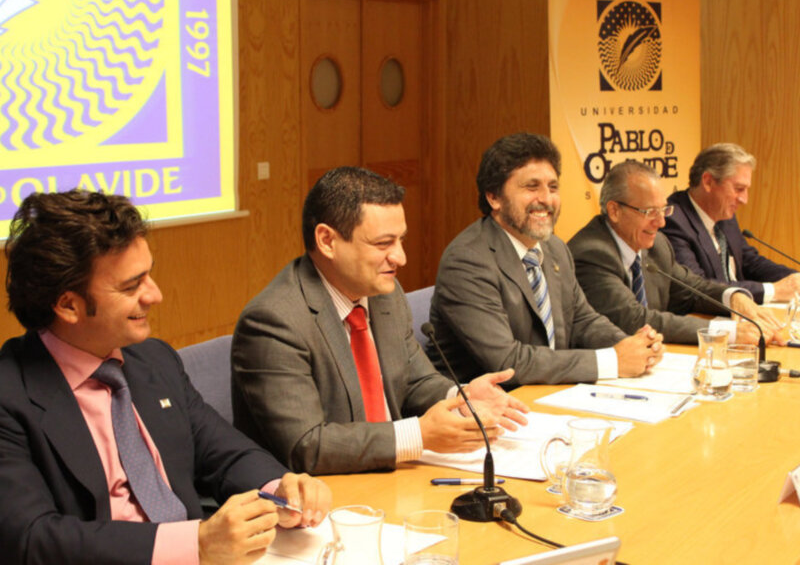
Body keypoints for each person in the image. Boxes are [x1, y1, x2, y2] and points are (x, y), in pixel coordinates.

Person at [0, 190, 331, 565]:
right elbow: (32, 538)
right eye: (131, 286)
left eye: (149, 275)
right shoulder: (10, 395)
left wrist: (281, 488)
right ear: (68, 305)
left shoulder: (152, 359)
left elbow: (221, 451)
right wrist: (197, 544)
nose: (155, 295)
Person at [232, 167, 529, 475]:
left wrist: (460, 396)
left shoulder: (383, 293)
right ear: (326, 241)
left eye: (400, 240)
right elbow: (307, 447)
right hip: (320, 499)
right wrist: (419, 435)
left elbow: (413, 381)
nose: (400, 258)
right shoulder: (274, 322)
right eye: (383, 244)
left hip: (393, 476)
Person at [428, 132, 663, 387]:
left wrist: (632, 346)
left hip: (549, 394)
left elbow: (582, 320)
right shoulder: (467, 261)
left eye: (553, 187)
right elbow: (508, 362)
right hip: (493, 408)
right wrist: (613, 361)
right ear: (493, 197)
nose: (546, 199)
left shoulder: (554, 248)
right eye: (531, 187)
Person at [567, 160, 782, 345]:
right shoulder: (592, 253)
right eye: (650, 212)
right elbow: (634, 320)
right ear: (614, 211)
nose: (660, 222)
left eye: (663, 210)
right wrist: (729, 332)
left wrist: (734, 297)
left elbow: (692, 289)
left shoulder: (657, 245)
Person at [663, 142, 800, 304]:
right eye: (739, 189)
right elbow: (697, 287)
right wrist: (773, 290)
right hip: (706, 320)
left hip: (743, 312)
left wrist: (794, 280)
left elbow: (750, 262)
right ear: (708, 182)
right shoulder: (673, 221)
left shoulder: (723, 213)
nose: (744, 200)